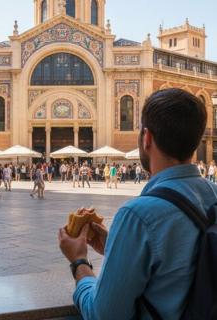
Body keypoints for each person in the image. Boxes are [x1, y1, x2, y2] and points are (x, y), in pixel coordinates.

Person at [58, 88, 217, 319]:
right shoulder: (213, 193)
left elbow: (103, 314)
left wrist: (79, 262)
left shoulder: (137, 216)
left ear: (147, 138)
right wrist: (116, 244)